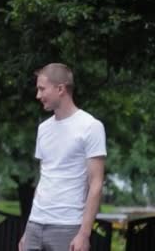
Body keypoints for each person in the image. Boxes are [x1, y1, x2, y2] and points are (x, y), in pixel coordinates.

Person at [19, 63, 107, 251]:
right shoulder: (43, 129)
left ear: (60, 89)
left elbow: (96, 183)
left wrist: (84, 234)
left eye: (42, 89)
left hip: (67, 226)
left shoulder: (91, 126)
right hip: (35, 224)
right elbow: (45, 178)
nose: (38, 95)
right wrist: (28, 229)